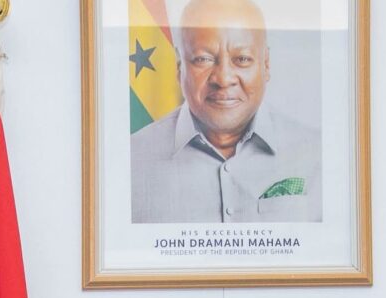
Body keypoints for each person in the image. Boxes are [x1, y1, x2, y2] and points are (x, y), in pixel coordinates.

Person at [131, 0, 322, 224]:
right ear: (179, 66)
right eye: (203, 59)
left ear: (266, 65)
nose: (223, 79)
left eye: (242, 59)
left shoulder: (318, 155)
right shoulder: (131, 161)